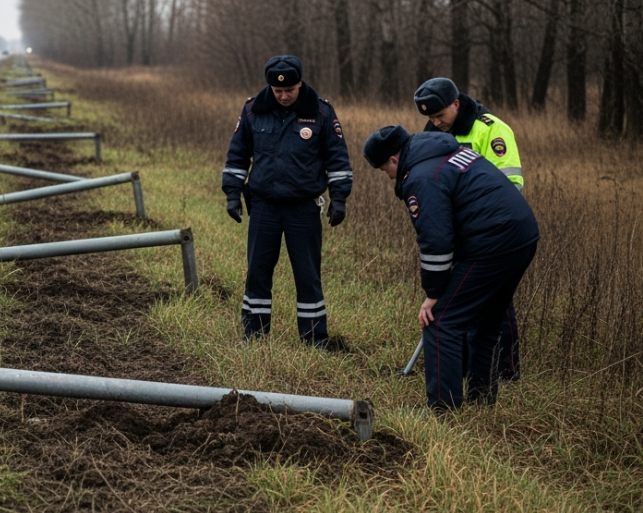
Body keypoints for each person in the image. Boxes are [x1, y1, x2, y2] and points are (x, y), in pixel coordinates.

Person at [362, 125, 539, 409]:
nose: (388, 175)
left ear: (394, 159)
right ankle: (482, 400)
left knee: (440, 320)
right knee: (487, 320)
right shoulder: (447, 151)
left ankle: (444, 409)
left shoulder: (420, 177)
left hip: (493, 242)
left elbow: (435, 240)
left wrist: (433, 294)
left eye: (384, 169)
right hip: (523, 234)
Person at [222, 55, 353, 346]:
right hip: (264, 206)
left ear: (299, 84)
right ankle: (253, 335)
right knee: (257, 272)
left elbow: (337, 157)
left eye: (289, 90)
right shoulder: (253, 110)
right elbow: (238, 154)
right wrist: (232, 192)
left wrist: (339, 197)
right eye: (277, 90)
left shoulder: (321, 112)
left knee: (308, 275)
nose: (283, 95)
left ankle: (314, 338)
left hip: (303, 208)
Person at [414, 77, 524, 379]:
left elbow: (511, 185)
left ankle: (506, 370)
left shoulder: (492, 129)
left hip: (491, 234)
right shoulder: (433, 131)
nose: (436, 123)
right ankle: (460, 365)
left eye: (440, 115)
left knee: (495, 302)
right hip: (454, 233)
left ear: (456, 104)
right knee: (456, 302)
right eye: (430, 118)